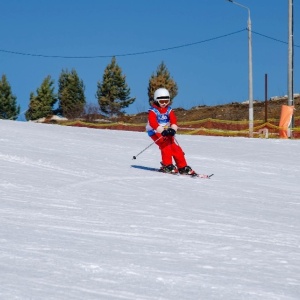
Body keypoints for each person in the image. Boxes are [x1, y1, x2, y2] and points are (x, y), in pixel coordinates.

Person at [146, 87, 196, 175]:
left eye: (167, 101)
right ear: (156, 100)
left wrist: (173, 129)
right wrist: (161, 130)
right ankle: (167, 165)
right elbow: (153, 122)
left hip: (166, 130)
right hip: (155, 131)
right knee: (165, 145)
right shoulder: (153, 111)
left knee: (175, 147)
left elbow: (173, 120)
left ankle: (182, 166)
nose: (164, 103)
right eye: (162, 102)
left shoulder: (169, 110)